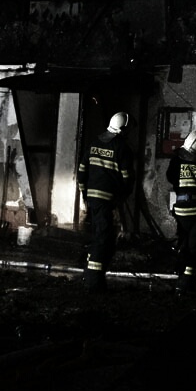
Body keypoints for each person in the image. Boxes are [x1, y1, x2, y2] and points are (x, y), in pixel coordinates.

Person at [78, 111, 135, 293]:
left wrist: (85, 194)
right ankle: (92, 282)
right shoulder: (122, 148)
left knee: (101, 237)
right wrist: (121, 197)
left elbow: (82, 171)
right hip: (107, 199)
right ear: (123, 129)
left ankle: (93, 276)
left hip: (92, 199)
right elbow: (127, 178)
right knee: (103, 238)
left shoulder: (94, 143)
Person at [165, 129, 196, 295]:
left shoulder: (176, 161)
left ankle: (178, 271)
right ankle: (187, 283)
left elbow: (170, 178)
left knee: (183, 243)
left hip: (182, 210)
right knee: (195, 247)